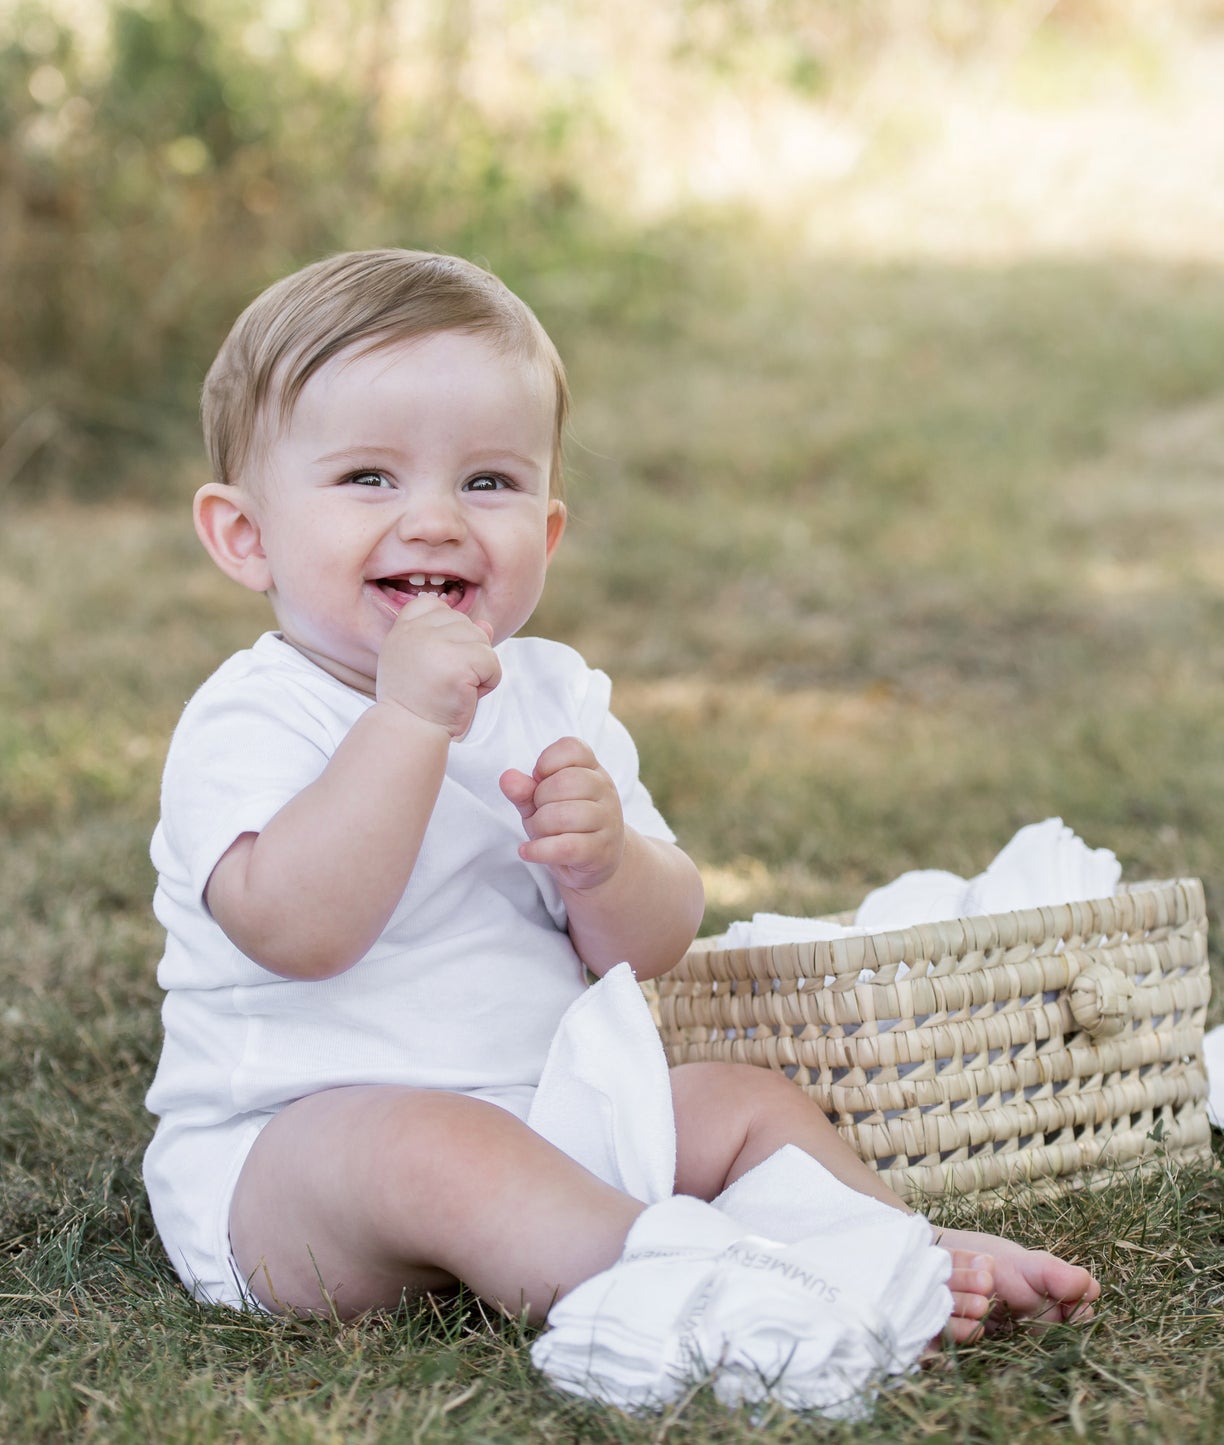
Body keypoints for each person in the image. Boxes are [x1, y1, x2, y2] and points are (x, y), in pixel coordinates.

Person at [143, 248, 1100, 1345]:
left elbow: (642, 949)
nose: (436, 519)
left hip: (550, 1115)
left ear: (545, 529)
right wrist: (405, 721)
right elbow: (298, 928)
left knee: (740, 1102)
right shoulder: (253, 715)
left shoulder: (551, 692)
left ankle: (894, 1249)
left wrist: (607, 866)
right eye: (369, 477)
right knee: (434, 1148)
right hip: (297, 1160)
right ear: (243, 534)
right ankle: (700, 1285)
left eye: (487, 481)